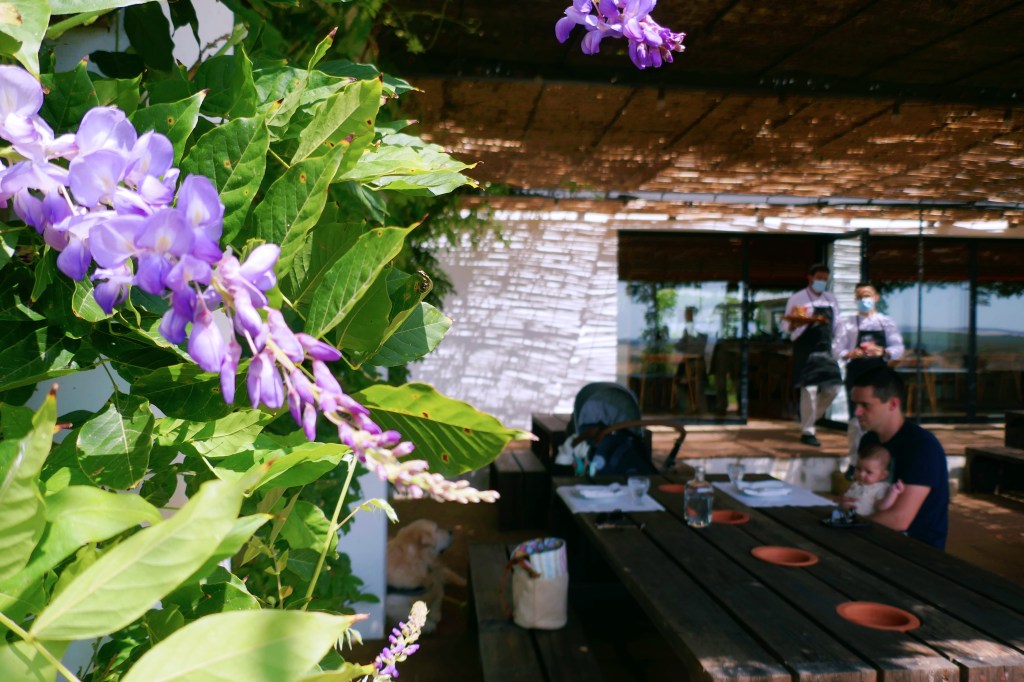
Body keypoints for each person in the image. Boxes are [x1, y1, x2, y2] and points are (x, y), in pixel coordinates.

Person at [844, 366, 949, 549]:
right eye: (855, 404)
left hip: (915, 552)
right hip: (874, 538)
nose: (857, 412)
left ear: (893, 404)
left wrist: (850, 526)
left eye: (865, 405)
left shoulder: (923, 447)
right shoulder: (869, 439)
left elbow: (899, 519)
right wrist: (846, 504)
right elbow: (859, 488)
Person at [833, 282, 904, 459]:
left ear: (876, 298)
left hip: (879, 374)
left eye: (867, 295)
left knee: (880, 416)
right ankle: (854, 461)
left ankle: (880, 460)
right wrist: (850, 353)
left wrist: (884, 351)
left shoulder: (886, 322)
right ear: (856, 300)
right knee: (856, 419)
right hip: (856, 374)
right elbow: (835, 350)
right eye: (860, 297)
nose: (864, 300)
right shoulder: (848, 323)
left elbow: (898, 348)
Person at [783, 263, 842, 446]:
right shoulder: (797, 298)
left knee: (833, 388)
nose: (822, 282)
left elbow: (837, 325)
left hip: (825, 350)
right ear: (809, 277)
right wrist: (797, 324)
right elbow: (787, 327)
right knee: (809, 390)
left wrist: (838, 349)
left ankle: (808, 420)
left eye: (825, 279)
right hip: (805, 350)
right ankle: (808, 431)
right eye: (819, 278)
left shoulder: (831, 299)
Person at [844, 443, 904, 516]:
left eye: (869, 472)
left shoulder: (880, 488)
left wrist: (893, 493)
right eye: (858, 468)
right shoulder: (856, 484)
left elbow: (881, 507)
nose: (861, 474)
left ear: (883, 475)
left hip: (863, 522)